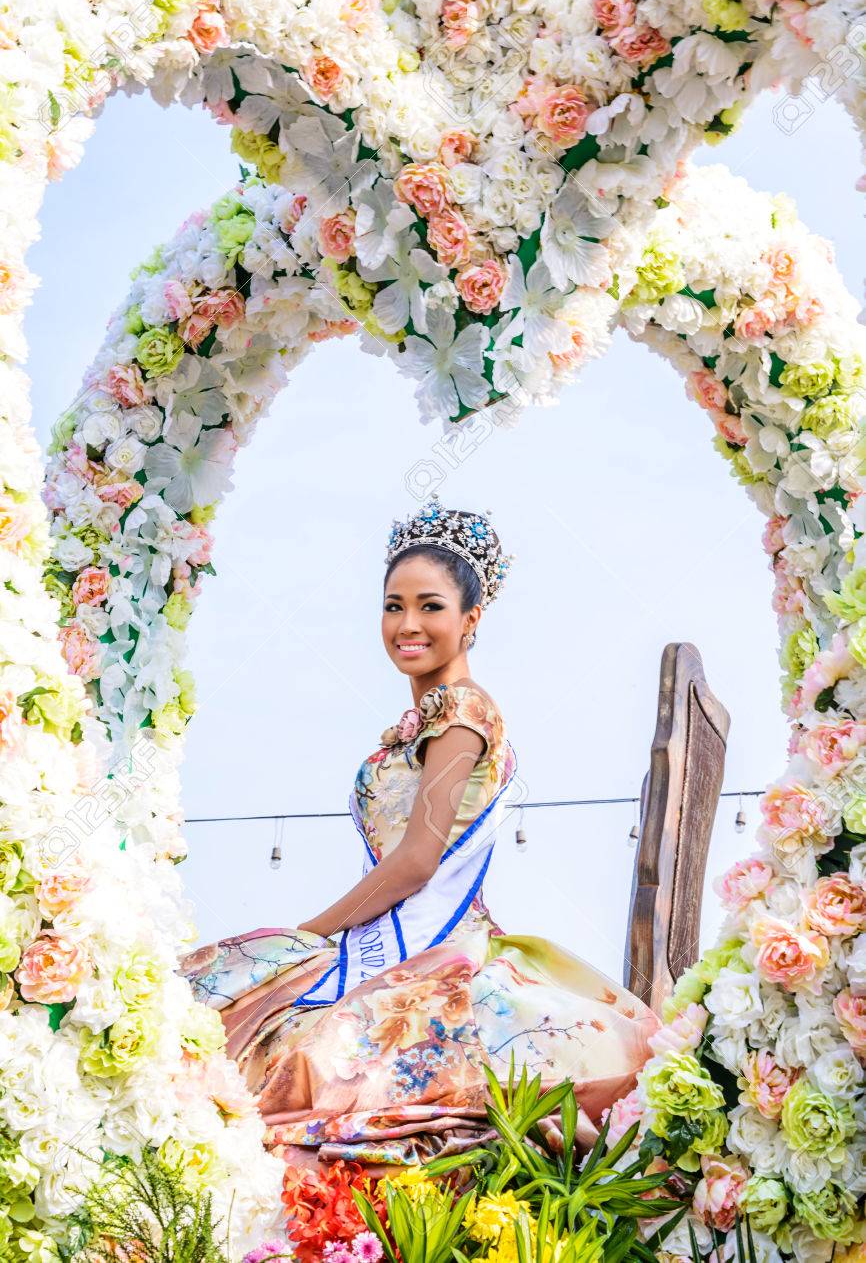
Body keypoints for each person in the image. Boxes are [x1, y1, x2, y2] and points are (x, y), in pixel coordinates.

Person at [180, 495, 659, 1174]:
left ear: (471, 620)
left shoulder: (463, 710)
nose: (408, 623)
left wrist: (307, 935)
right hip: (405, 942)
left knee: (280, 1036)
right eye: (393, 604)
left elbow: (416, 863)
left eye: (430, 606)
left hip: (439, 945)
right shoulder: (430, 715)